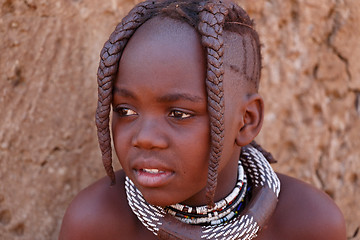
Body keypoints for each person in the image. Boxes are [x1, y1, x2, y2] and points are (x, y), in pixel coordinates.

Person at [59, 0, 346, 239]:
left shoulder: (308, 224)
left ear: (246, 121)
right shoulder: (97, 223)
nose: (144, 137)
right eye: (126, 111)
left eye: (179, 114)